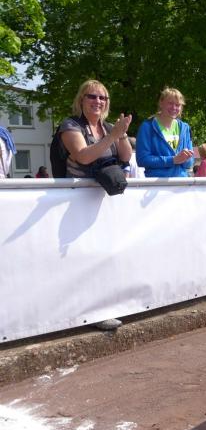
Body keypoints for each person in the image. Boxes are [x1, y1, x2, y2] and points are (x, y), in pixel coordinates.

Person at [58, 79, 134, 331]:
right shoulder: (70, 125)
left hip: (105, 202)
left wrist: (121, 133)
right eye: (92, 96)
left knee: (104, 254)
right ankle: (78, 313)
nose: (98, 101)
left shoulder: (109, 127)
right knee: (81, 257)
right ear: (81, 99)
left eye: (102, 97)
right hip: (75, 202)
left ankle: (101, 309)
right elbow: (83, 156)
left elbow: (126, 156)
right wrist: (112, 135)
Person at [136, 87, 194, 177]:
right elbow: (142, 160)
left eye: (178, 105)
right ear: (161, 103)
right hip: (157, 182)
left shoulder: (185, 128)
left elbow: (189, 163)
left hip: (181, 181)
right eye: (170, 103)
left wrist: (186, 158)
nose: (174, 107)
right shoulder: (147, 127)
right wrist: (173, 160)